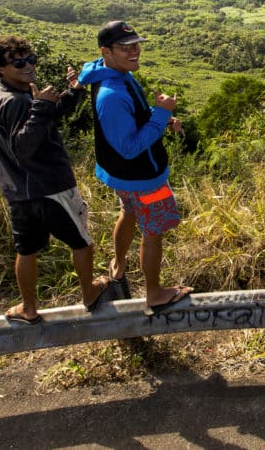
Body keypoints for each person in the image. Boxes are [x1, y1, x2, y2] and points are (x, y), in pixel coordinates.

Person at [0, 36, 110, 325]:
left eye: (30, 59)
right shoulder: (16, 101)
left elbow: (45, 121)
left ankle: (28, 308)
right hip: (49, 187)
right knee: (82, 242)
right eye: (18, 62)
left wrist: (72, 92)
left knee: (26, 249)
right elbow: (23, 149)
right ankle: (89, 293)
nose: (28, 65)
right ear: (0, 69)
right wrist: (40, 106)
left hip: (19, 192)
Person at [78, 21, 193, 314]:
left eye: (136, 45)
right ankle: (154, 293)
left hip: (122, 176)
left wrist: (160, 120)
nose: (135, 51)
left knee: (128, 212)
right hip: (142, 177)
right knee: (152, 232)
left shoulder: (112, 72)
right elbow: (129, 148)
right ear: (107, 51)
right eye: (125, 47)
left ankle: (118, 265)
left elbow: (131, 120)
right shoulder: (111, 94)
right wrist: (162, 113)